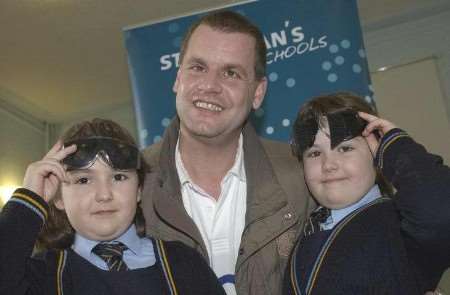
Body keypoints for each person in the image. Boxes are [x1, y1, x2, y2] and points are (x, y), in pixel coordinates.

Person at [141, 10, 314, 295]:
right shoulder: (128, 183)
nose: (209, 86)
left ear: (258, 93)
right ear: (177, 78)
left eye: (231, 73)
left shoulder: (304, 177)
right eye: (197, 67)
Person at [0, 118, 225, 295]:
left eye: (118, 177)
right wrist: (28, 199)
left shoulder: (183, 263)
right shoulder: (42, 276)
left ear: (138, 189)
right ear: (58, 197)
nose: (104, 195)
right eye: (83, 180)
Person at [284, 92, 450, 294]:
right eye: (315, 153)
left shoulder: (401, 227)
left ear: (375, 152)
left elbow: (441, 210)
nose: (328, 165)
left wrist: (394, 147)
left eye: (345, 148)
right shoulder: (305, 234)